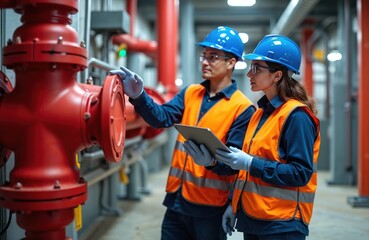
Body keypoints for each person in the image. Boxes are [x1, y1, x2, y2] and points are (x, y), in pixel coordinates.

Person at [110, 26, 256, 240]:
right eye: (204, 56)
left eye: (213, 56)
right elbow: (161, 118)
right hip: (177, 200)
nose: (205, 62)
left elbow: (235, 165)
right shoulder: (190, 93)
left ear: (231, 63)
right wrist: (139, 95)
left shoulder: (242, 108)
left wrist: (211, 163)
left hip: (209, 207)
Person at [215, 34, 321, 240]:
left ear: (277, 76)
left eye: (257, 68)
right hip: (253, 218)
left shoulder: (297, 116)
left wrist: (251, 163)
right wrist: (232, 204)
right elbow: (245, 172)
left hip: (283, 224)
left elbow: (300, 173)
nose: (249, 74)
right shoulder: (259, 114)